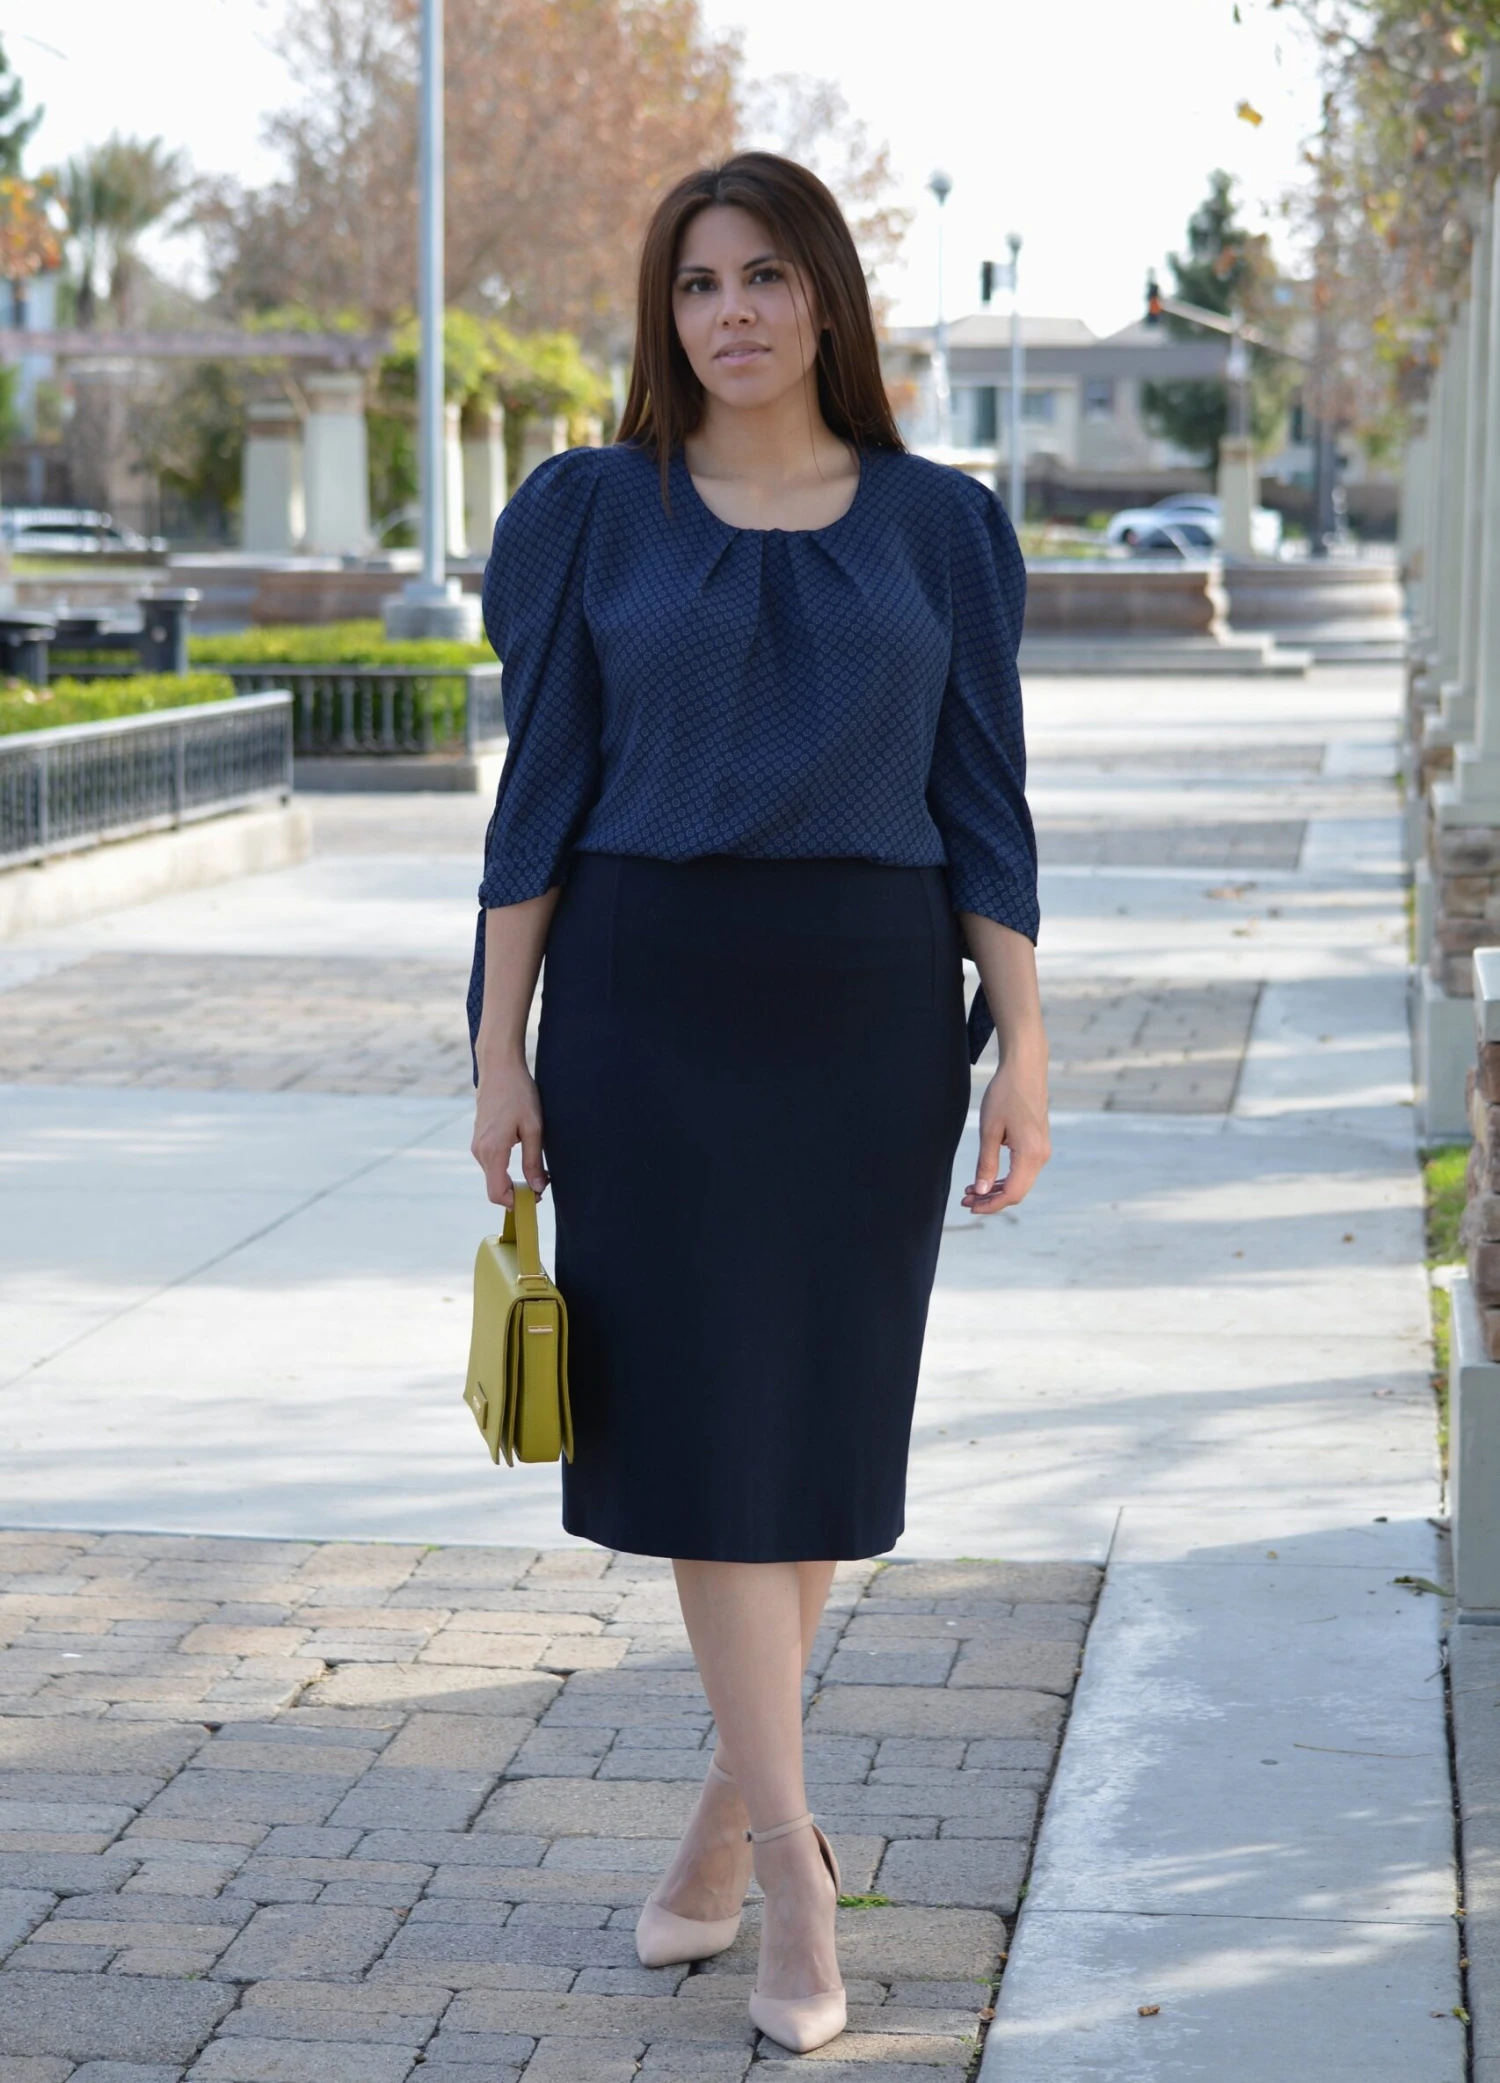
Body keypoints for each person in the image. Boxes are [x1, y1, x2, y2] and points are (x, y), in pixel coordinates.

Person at [468, 152, 1048, 2056]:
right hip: (647, 1007)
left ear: (827, 303)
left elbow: (984, 806)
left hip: (873, 1014)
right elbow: (540, 796)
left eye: (768, 277)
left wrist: (1025, 1045)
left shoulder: (944, 528)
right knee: (715, 1432)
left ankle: (725, 1819)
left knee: (815, 1427)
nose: (733, 312)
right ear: (667, 312)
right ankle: (800, 1871)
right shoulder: (589, 515)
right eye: (700, 282)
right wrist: (497, 1047)